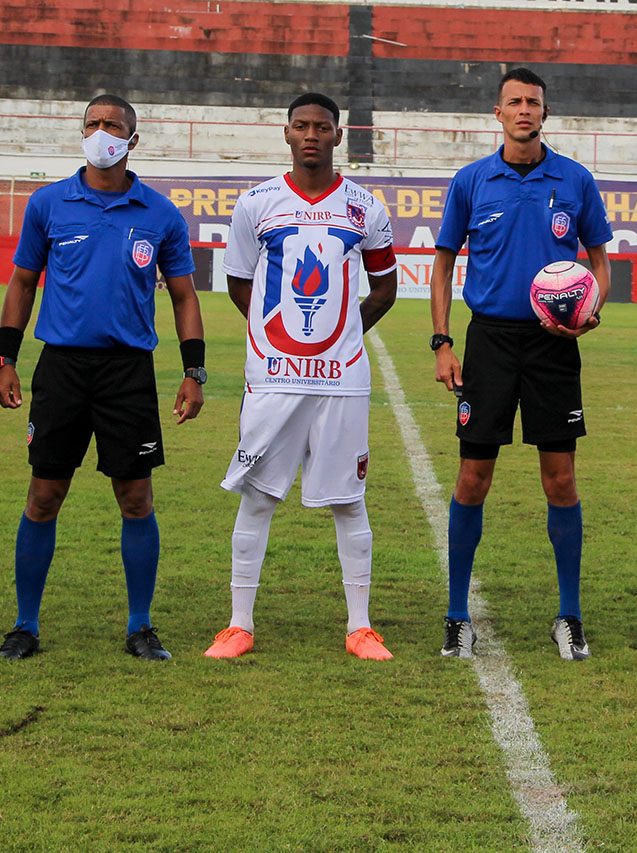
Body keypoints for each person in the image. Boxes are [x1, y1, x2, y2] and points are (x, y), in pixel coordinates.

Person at [0, 94, 206, 661]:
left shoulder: (159, 214)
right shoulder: (47, 204)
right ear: (81, 132)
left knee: (136, 497)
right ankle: (24, 626)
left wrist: (194, 371)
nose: (101, 131)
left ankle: (140, 627)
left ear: (133, 140)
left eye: (113, 125)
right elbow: (20, 285)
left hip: (127, 372)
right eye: (93, 123)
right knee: (43, 495)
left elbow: (184, 296)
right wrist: (6, 360)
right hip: (60, 368)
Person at [206, 93, 398, 661]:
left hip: (343, 378)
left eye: (322, 127)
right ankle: (239, 624)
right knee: (258, 496)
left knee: (349, 499)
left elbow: (384, 288)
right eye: (301, 126)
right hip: (273, 376)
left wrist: (341, 338)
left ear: (339, 137)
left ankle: (360, 626)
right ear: (286, 133)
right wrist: (276, 336)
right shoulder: (255, 204)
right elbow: (241, 282)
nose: (311, 134)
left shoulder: (366, 207)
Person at [431, 68, 612, 661]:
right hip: (488, 343)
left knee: (560, 479)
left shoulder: (576, 180)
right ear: (498, 112)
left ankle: (569, 616)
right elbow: (441, 264)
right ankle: (458, 617)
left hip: (554, 345)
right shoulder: (471, 181)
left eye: (533, 102)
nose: (524, 110)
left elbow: (599, 262)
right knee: (471, 478)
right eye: (515, 102)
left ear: (545, 112)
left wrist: (590, 314)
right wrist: (442, 341)